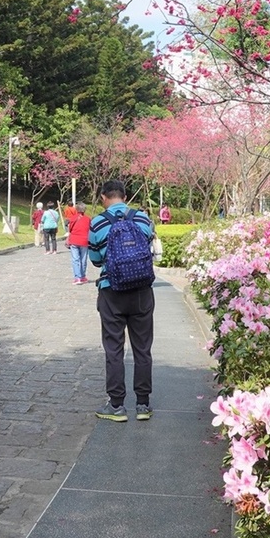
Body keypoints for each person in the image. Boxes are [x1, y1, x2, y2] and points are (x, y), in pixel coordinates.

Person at [88, 180, 155, 422]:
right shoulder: (143, 219)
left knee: (114, 348)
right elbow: (148, 249)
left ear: (104, 197)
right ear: (125, 197)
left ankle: (116, 406)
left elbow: (95, 259)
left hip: (111, 292)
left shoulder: (97, 222)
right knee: (143, 348)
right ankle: (143, 404)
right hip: (141, 292)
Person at [67, 201, 91, 285]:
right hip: (84, 240)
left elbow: (70, 229)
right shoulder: (88, 219)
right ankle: (83, 276)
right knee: (83, 259)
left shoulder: (73, 218)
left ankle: (77, 277)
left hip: (74, 240)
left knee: (75, 259)